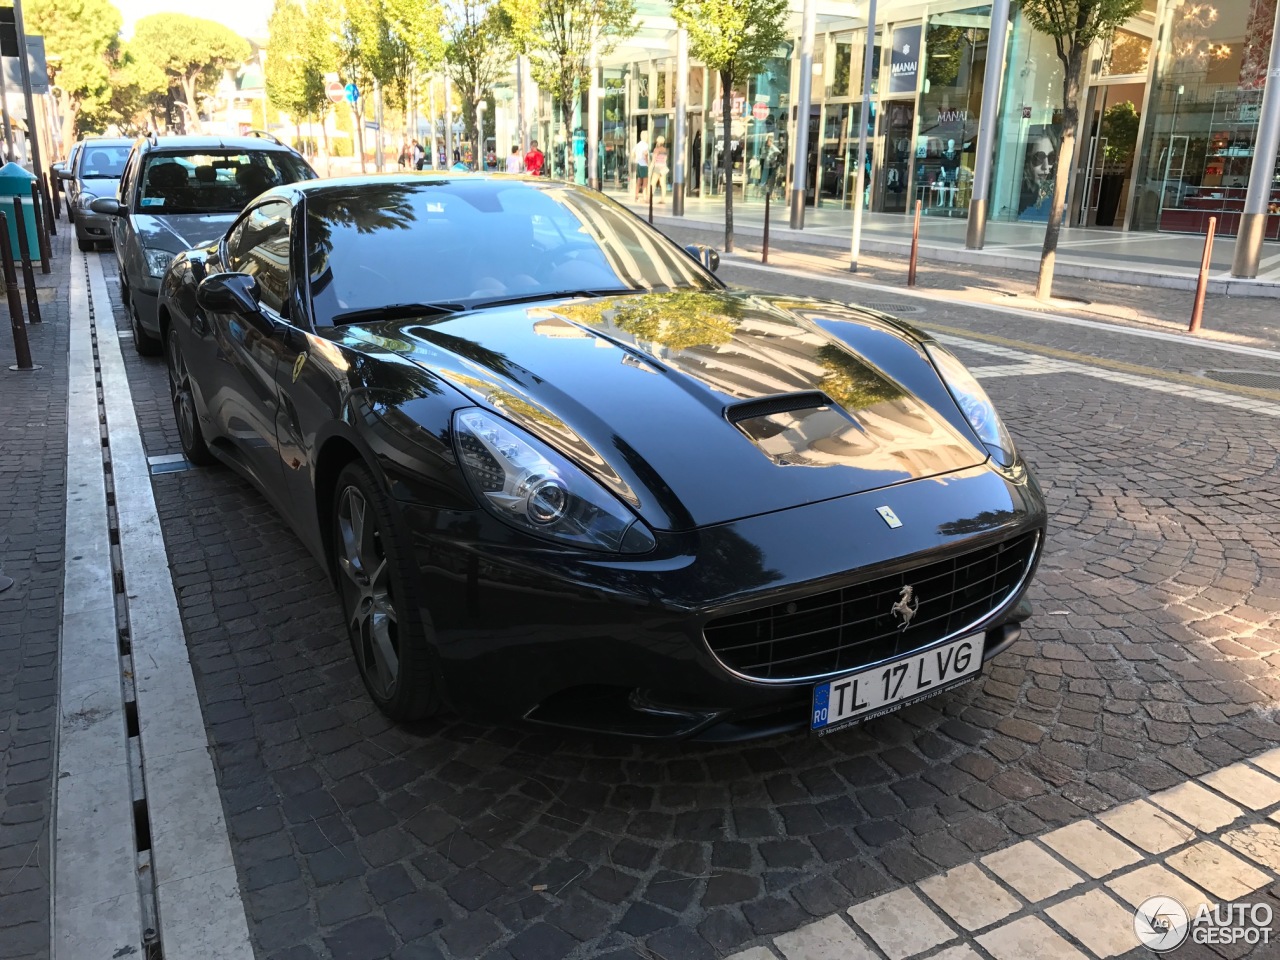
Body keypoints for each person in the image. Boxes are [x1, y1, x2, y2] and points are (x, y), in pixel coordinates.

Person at [1019, 129, 1058, 220]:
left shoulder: (1053, 189)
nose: (1046, 166)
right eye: (1039, 158)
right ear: (1027, 161)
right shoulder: (1020, 193)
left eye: (1051, 158)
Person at [650, 136, 669, 203]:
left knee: (653, 183)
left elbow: (653, 160)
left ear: (658, 142)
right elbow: (665, 159)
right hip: (663, 167)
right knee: (663, 184)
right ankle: (663, 199)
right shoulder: (665, 150)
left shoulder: (656, 150)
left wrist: (650, 168)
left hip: (657, 167)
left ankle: (650, 198)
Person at [633, 133, 650, 200]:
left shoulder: (638, 144)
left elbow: (633, 152)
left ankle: (636, 195)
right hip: (644, 165)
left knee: (639, 181)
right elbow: (645, 154)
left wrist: (636, 159)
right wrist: (647, 162)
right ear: (646, 137)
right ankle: (644, 197)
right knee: (645, 182)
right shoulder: (645, 145)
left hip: (639, 164)